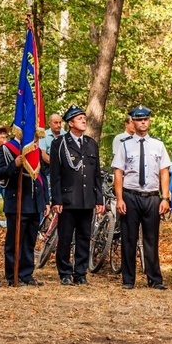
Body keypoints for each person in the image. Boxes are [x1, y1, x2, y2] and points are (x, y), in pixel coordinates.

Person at [112, 105, 171, 290]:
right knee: (128, 239)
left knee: (151, 239)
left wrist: (165, 198)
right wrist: (119, 198)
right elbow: (118, 173)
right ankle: (128, 280)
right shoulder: (125, 145)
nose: (142, 122)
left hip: (152, 197)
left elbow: (164, 172)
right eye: (138, 119)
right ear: (133, 122)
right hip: (130, 195)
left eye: (145, 119)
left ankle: (155, 279)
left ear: (149, 121)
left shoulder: (158, 145)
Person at [50, 105, 104, 286]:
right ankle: (64, 271)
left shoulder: (91, 143)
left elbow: (96, 174)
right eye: (79, 118)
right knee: (65, 237)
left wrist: (99, 198)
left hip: (87, 198)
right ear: (71, 123)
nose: (83, 121)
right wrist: (56, 199)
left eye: (84, 118)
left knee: (84, 236)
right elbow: (56, 175)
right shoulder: (60, 143)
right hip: (68, 199)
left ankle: (80, 273)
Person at [0, 131, 49, 286]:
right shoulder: (6, 148)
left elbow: (42, 176)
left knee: (29, 241)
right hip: (17, 201)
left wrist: (45, 200)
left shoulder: (35, 149)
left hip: (34, 202)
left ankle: (26, 274)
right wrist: (15, 164)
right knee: (15, 241)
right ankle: (13, 275)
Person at [39, 114, 66, 178]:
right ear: (49, 123)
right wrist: (57, 165)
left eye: (60, 122)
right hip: (49, 170)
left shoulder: (66, 135)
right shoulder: (43, 135)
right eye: (56, 123)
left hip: (65, 170)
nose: (59, 125)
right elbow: (44, 155)